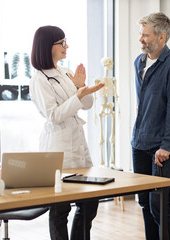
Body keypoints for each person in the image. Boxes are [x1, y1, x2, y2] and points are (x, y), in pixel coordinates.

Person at [30, 25, 104, 240]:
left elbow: (87, 104)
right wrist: (78, 95)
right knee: (60, 209)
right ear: (47, 46)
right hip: (58, 146)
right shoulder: (39, 80)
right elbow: (53, 115)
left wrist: (81, 88)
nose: (67, 46)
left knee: (90, 201)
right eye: (62, 43)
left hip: (78, 144)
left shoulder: (65, 72)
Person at [131, 12, 170, 240]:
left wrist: (167, 145)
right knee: (145, 202)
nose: (141, 39)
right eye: (141, 34)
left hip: (160, 147)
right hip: (139, 143)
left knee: (159, 205)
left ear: (161, 37)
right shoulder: (139, 62)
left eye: (146, 35)